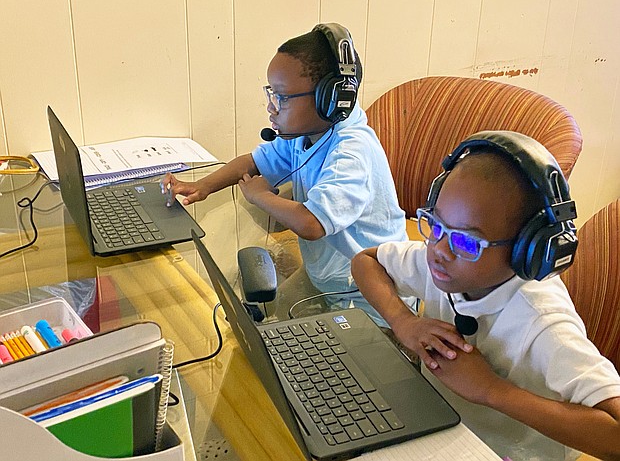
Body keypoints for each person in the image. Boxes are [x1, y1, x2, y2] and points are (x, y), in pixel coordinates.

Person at [351, 131, 620, 461]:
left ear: (528, 251)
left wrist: (492, 391)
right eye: (435, 225)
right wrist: (405, 323)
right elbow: (366, 261)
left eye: (467, 243)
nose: (438, 250)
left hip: (508, 452)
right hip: (439, 422)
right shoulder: (441, 265)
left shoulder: (544, 323)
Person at [162, 23, 406, 325]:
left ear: (330, 98)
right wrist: (202, 187)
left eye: (282, 97)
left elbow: (312, 222)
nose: (271, 107)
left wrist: (260, 196)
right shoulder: (306, 134)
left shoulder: (351, 152)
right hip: (328, 277)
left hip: (370, 297)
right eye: (270, 93)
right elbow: (252, 162)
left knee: (305, 354)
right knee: (264, 327)